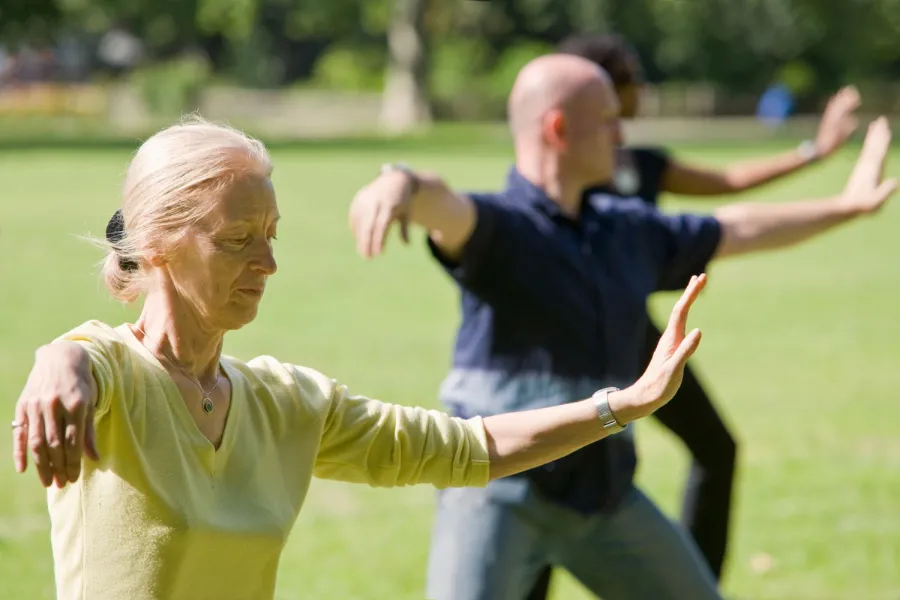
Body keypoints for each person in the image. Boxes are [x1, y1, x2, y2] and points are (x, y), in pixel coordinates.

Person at [11, 117, 709, 600]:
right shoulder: (105, 376)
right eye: (237, 239)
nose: (268, 263)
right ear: (157, 244)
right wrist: (57, 357)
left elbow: (469, 447)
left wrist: (625, 403)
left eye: (272, 236)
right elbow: (88, 360)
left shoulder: (285, 403)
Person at [348, 54, 895, 600]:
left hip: (604, 499)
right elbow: (441, 205)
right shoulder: (502, 229)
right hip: (495, 496)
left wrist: (847, 208)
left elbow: (736, 227)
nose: (621, 132)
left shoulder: (624, 229)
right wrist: (401, 182)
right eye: (608, 119)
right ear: (558, 128)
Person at [517, 34, 863, 598]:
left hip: (634, 334)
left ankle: (688, 582)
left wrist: (814, 153)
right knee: (555, 472)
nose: (639, 90)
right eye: (627, 77)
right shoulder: (565, 170)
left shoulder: (643, 164)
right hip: (569, 339)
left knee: (711, 449)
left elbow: (726, 187)